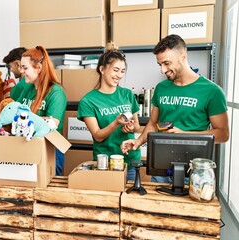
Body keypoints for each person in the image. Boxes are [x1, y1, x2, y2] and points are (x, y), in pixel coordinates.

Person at [121, 34, 229, 182]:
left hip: (193, 171)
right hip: (161, 168)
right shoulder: (161, 88)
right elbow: (153, 123)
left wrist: (184, 135)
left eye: (166, 63)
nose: (163, 70)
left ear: (183, 57)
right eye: (160, 65)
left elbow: (223, 134)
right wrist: (138, 141)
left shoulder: (212, 91)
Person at [77, 42, 141, 181]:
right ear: (102, 69)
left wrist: (131, 128)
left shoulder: (127, 94)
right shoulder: (88, 101)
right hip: (105, 164)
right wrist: (116, 123)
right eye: (115, 70)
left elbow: (137, 126)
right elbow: (98, 136)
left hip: (129, 161)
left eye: (122, 71)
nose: (119, 75)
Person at [16, 46, 67, 176]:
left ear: (38, 68)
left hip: (50, 149)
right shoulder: (28, 88)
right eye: (21, 67)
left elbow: (52, 123)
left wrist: (25, 117)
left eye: (25, 67)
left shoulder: (56, 92)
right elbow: (15, 112)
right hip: (27, 147)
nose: (21, 71)